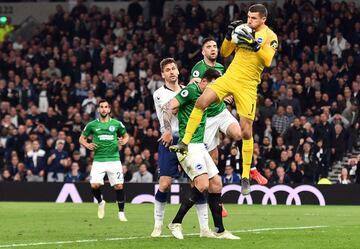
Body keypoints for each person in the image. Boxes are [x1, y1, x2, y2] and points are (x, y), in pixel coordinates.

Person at [171, 4, 277, 195]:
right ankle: (184, 142)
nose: (249, 20)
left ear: (263, 20)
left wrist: (254, 45)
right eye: (248, 17)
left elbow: (268, 60)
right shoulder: (243, 30)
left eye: (253, 18)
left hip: (248, 86)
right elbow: (226, 52)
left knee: (245, 131)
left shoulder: (270, 36)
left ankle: (245, 176)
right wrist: (229, 35)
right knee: (201, 102)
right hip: (229, 78)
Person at [165, 68, 239, 240]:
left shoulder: (208, 96)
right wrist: (168, 128)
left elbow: (221, 98)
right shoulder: (190, 91)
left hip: (200, 146)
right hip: (187, 146)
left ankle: (220, 231)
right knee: (203, 184)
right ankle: (175, 222)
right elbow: (171, 106)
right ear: (204, 82)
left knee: (216, 184)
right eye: (214, 85)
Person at [151, 58, 211, 238]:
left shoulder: (188, 90)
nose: (171, 72)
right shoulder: (159, 93)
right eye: (167, 69)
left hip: (189, 140)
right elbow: (169, 110)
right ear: (163, 74)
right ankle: (158, 225)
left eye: (173, 68)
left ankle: (204, 228)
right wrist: (168, 130)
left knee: (198, 184)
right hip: (169, 140)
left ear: (178, 71)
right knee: (165, 184)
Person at [79, 99, 129, 222]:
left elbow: (126, 136)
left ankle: (121, 212)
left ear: (109, 109)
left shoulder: (117, 124)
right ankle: (101, 202)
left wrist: (124, 141)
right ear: (98, 109)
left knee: (119, 185)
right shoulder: (92, 125)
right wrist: (87, 145)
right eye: (101, 107)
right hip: (99, 160)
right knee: (94, 185)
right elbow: (81, 138)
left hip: (114, 159)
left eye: (106, 107)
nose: (104, 109)